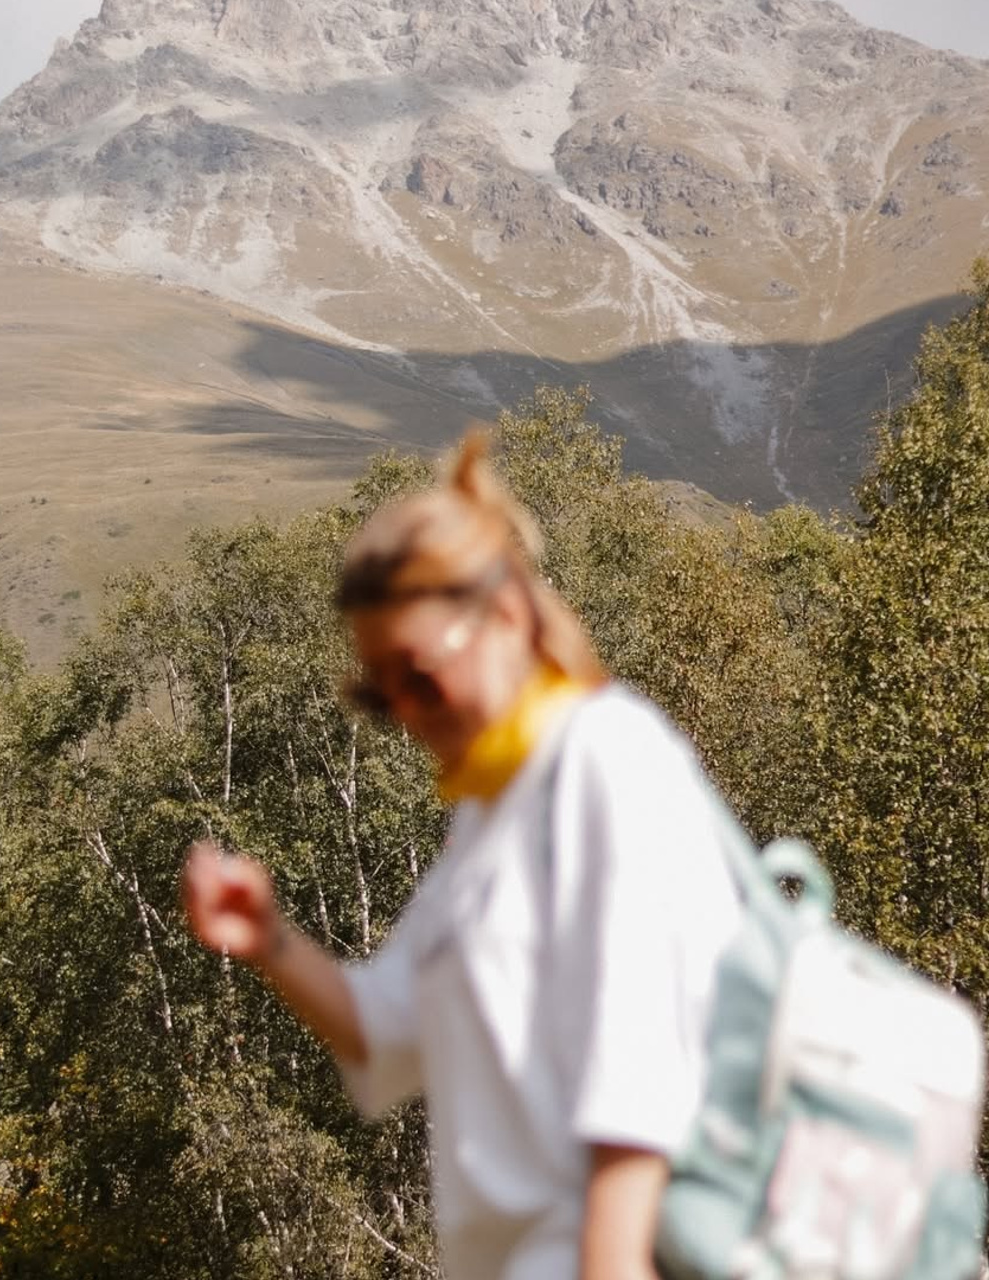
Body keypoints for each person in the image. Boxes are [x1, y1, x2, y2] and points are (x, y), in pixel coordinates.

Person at [183, 434, 743, 1280]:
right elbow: (382, 1034)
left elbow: (641, 1069)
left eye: (419, 676)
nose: (405, 713)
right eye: (379, 692)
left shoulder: (605, 756)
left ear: (507, 615)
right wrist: (268, 941)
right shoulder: (490, 817)